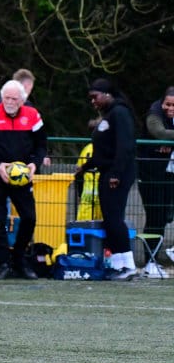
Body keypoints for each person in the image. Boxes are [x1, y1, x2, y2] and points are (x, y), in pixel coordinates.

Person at [0, 79, 48, 280]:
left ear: (22, 100)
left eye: (14, 99)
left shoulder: (32, 115)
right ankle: (3, 264)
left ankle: (20, 259)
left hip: (22, 178)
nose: (10, 102)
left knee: (29, 218)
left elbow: (41, 145)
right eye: (7, 98)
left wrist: (34, 164)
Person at [74, 78, 138, 280]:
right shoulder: (109, 115)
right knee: (110, 219)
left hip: (117, 173)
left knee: (115, 218)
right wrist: (85, 167)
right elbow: (103, 151)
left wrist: (116, 173)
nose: (93, 101)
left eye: (95, 97)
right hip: (107, 172)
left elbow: (124, 147)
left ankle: (128, 265)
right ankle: (118, 264)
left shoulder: (120, 113)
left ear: (107, 94)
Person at [136, 87, 174, 272]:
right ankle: (150, 260)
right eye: (168, 104)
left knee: (164, 215)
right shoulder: (154, 113)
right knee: (155, 217)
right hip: (150, 173)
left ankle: (156, 257)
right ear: (162, 102)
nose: (170, 108)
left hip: (168, 174)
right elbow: (159, 133)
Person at [12, 68, 51, 168]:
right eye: (30, 89)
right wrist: (41, 155)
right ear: (26, 86)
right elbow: (37, 137)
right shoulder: (28, 108)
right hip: (25, 164)